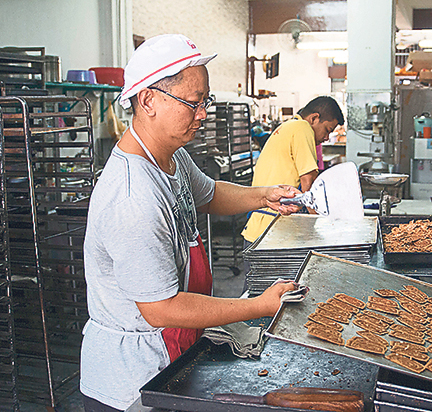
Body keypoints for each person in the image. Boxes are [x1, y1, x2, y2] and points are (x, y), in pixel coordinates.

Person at [80, 34, 300, 412]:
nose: (202, 114)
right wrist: (260, 306)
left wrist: (263, 196)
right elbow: (161, 308)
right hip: (133, 380)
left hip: (176, 350)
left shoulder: (171, 158)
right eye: (193, 103)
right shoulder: (133, 196)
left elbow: (210, 193)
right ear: (148, 100)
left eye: (205, 101)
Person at [241, 96, 345, 244]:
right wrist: (324, 228)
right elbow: (309, 183)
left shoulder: (288, 126)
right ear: (314, 118)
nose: (327, 138)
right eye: (327, 130)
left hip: (260, 229)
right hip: (273, 233)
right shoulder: (302, 127)